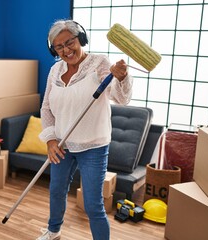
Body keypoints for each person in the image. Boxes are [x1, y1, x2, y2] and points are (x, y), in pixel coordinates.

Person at [37, 19, 133, 240]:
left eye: (69, 42)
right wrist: (50, 140)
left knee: (92, 204)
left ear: (80, 39)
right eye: (59, 47)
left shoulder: (99, 63)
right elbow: (47, 107)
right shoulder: (55, 70)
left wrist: (122, 77)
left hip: (93, 146)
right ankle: (53, 231)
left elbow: (121, 98)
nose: (66, 50)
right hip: (62, 143)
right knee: (56, 191)